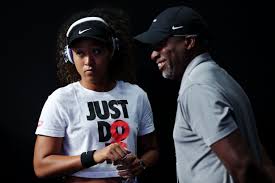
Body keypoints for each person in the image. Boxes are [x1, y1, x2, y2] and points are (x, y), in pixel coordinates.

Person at [134, 5, 275, 183]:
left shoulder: (197, 88)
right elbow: (264, 162)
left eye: (161, 43)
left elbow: (243, 167)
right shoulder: (221, 78)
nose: (153, 54)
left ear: (189, 42)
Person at [33, 7, 159, 183]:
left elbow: (152, 150)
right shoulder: (61, 100)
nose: (88, 61)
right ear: (70, 56)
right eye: (80, 53)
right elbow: (41, 165)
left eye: (97, 51)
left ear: (111, 51)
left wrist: (141, 164)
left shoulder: (136, 95)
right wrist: (94, 156)